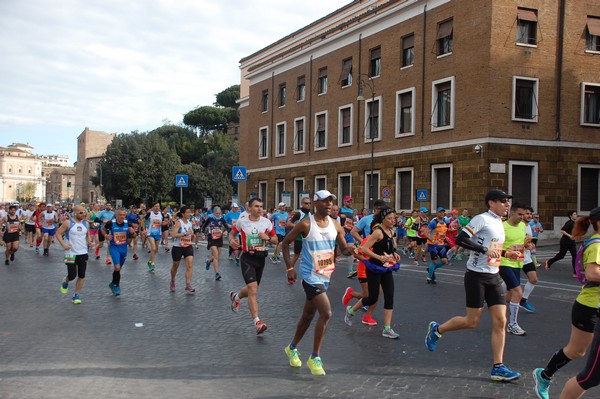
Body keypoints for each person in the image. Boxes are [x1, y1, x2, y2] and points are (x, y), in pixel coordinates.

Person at [425, 189, 521, 382]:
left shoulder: (499, 223)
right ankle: (437, 330)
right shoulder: (481, 219)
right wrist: (484, 250)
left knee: (501, 321)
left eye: (508, 202)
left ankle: (498, 367)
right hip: (476, 276)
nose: (507, 205)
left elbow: (493, 248)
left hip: (493, 277)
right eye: (503, 201)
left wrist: (505, 254)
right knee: (472, 321)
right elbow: (461, 239)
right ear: (491, 203)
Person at [281, 190, 355, 376]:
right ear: (316, 204)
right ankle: (315, 357)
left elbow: (344, 249)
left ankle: (292, 347)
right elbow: (285, 242)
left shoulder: (336, 225)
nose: (329, 204)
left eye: (331, 201)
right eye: (325, 201)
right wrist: (290, 268)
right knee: (326, 312)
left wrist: (352, 250)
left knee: (308, 316)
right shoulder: (306, 224)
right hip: (309, 276)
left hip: (325, 275)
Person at [532, 207, 600, 399]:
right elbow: (593, 273)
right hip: (590, 307)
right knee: (576, 351)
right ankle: (544, 375)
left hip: (593, 306)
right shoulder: (597, 245)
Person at [344, 207, 401, 339]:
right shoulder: (378, 232)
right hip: (374, 269)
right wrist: (380, 258)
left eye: (394, 218)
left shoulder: (391, 232)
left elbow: (388, 249)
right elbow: (364, 248)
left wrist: (394, 254)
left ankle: (387, 328)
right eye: (389, 218)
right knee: (372, 298)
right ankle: (351, 311)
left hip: (386, 268)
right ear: (383, 219)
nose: (393, 221)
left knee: (389, 296)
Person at [228, 197, 277, 335]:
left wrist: (267, 238)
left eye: (261, 206)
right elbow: (232, 233)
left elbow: (275, 239)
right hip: (247, 258)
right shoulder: (242, 222)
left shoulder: (266, 222)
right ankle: (257, 323)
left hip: (260, 259)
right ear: (249, 208)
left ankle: (236, 297)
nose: (259, 209)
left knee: (252, 289)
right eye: (256, 206)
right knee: (253, 289)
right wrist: (232, 241)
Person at [499, 202, 528, 336]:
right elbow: (495, 246)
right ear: (512, 213)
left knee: (510, 295)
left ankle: (499, 315)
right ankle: (512, 324)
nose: (522, 217)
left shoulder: (522, 226)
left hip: (517, 263)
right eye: (520, 214)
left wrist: (527, 245)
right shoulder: (502, 227)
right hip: (504, 263)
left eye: (524, 214)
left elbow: (520, 244)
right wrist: (506, 253)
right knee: (518, 293)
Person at [55, 205, 92, 304]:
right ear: (74, 213)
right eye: (81, 212)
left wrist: (89, 241)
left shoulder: (86, 224)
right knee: (72, 275)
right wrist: (63, 244)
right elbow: (58, 233)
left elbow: (87, 234)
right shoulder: (68, 223)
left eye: (84, 212)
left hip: (83, 252)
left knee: (82, 275)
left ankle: (76, 295)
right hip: (70, 253)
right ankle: (66, 280)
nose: (83, 214)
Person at [103, 208, 137, 296]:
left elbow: (134, 236)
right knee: (117, 267)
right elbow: (102, 230)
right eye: (120, 215)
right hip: (114, 248)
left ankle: (113, 283)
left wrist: (133, 233)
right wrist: (106, 235)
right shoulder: (111, 223)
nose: (122, 217)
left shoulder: (128, 224)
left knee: (118, 269)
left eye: (123, 215)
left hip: (123, 249)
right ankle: (117, 285)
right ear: (116, 215)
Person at [169, 206, 196, 294]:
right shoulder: (178, 223)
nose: (189, 214)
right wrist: (185, 233)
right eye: (187, 212)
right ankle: (172, 280)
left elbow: (190, 233)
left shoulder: (189, 223)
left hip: (187, 246)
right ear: (183, 214)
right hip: (178, 247)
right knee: (175, 265)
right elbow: (173, 235)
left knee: (189, 264)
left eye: (190, 212)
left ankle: (188, 285)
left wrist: (191, 235)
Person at [546, 210, 578, 276]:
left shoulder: (574, 223)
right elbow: (562, 230)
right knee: (561, 255)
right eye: (574, 214)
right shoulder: (569, 223)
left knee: (575, 256)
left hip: (571, 242)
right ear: (571, 216)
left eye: (576, 214)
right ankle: (549, 262)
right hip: (565, 242)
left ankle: (575, 272)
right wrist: (570, 236)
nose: (576, 215)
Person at [201, 205, 228, 281]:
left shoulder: (222, 219)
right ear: (213, 213)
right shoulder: (210, 218)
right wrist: (203, 235)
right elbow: (203, 227)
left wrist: (226, 231)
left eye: (219, 213)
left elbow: (226, 227)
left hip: (219, 238)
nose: (218, 215)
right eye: (216, 213)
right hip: (211, 239)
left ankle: (208, 261)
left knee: (217, 256)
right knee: (215, 255)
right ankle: (217, 274)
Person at [424, 207, 449, 284]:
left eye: (443, 212)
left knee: (444, 260)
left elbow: (443, 233)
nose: (442, 213)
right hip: (432, 245)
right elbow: (425, 233)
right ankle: (429, 277)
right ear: (437, 213)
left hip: (441, 244)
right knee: (434, 261)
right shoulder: (433, 222)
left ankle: (431, 269)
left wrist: (446, 239)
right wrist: (433, 240)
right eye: (440, 212)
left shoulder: (445, 222)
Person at [286, 197, 312, 269]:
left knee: (309, 254)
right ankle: (290, 268)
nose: (308, 205)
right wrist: (299, 227)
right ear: (302, 204)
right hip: (299, 238)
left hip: (307, 238)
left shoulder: (310, 214)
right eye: (306, 203)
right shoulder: (299, 214)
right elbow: (289, 224)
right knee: (296, 255)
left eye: (309, 203)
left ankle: (308, 269)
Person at [144, 202, 163, 272]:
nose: (157, 207)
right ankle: (152, 263)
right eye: (155, 206)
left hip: (158, 233)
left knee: (156, 250)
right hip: (150, 233)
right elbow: (143, 220)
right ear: (153, 207)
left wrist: (164, 223)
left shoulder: (161, 214)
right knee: (153, 248)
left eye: (158, 206)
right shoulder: (150, 214)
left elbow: (163, 222)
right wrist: (144, 229)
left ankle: (150, 261)